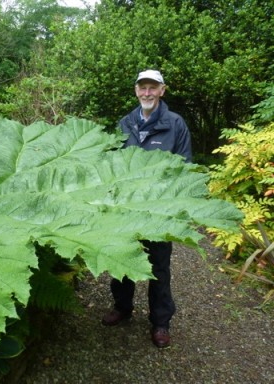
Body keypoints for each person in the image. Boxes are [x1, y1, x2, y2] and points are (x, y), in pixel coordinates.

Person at [101, 69, 192, 348]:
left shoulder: (176, 124)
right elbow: (111, 165)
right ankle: (123, 307)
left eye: (153, 88)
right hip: (126, 210)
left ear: (162, 90)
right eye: (143, 88)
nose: (147, 93)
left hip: (157, 211)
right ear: (136, 91)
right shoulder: (125, 123)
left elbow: (185, 168)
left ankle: (161, 322)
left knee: (159, 267)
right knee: (122, 260)